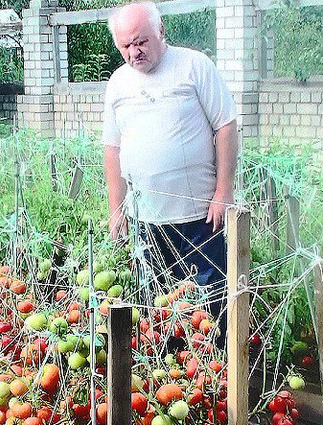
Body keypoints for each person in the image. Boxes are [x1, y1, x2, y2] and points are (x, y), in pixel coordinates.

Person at [102, 1, 238, 326]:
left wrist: (224, 190)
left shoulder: (194, 66)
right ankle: (168, 372)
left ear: (160, 30)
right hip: (145, 220)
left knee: (209, 304)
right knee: (157, 310)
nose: (134, 51)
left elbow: (227, 125)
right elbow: (112, 148)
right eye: (125, 46)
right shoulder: (118, 83)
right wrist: (115, 208)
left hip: (200, 217)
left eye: (141, 41)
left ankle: (215, 368)